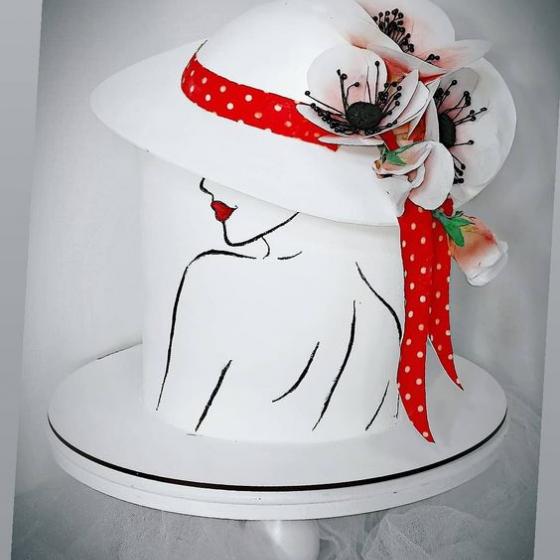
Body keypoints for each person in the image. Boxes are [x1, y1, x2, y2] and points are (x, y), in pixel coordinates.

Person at [155, 178, 404, 442]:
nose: (206, 185)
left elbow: (178, 429)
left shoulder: (214, 276)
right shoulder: (382, 318)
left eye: (246, 164)